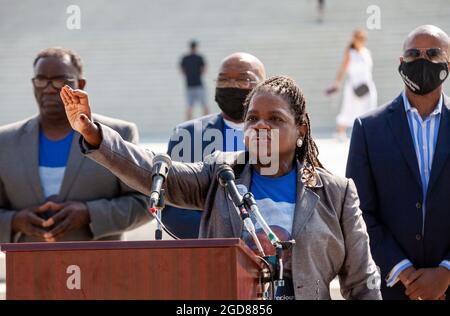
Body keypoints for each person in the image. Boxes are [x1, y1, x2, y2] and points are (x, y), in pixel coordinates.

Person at [60, 75, 381, 300]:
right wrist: (95, 134)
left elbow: (363, 284)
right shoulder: (220, 173)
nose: (260, 126)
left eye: (275, 119)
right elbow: (156, 171)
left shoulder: (336, 193)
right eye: (252, 119)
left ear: (301, 129)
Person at [0, 47, 150, 243]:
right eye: (41, 79)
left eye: (60, 80)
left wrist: (90, 214)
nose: (48, 87)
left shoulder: (119, 134)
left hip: (100, 267)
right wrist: (14, 221)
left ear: (80, 84)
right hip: (30, 269)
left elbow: (147, 202)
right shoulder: (5, 141)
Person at [346, 25, 450, 300]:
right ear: (401, 63)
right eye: (414, 54)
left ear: (448, 64)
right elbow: (358, 210)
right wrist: (402, 270)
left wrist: (446, 272)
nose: (423, 60)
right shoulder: (368, 128)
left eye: (433, 54)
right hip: (391, 287)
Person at [163, 52, 266, 238]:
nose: (231, 86)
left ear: (264, 86)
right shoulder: (187, 136)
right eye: (223, 80)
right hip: (209, 254)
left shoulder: (280, 136)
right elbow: (174, 211)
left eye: (243, 80)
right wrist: (230, 237)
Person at [326, 29, 377, 141]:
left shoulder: (366, 52)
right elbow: (343, 69)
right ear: (354, 40)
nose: (361, 41)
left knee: (369, 109)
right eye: (359, 39)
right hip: (353, 86)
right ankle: (340, 132)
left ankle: (368, 133)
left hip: (367, 85)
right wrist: (337, 83)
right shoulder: (350, 53)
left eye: (363, 39)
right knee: (349, 109)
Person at [180, 40, 209, 120]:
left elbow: (182, 71)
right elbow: (204, 70)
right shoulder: (199, 58)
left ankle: (187, 124)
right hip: (199, 84)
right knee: (204, 105)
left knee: (189, 106)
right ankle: (208, 123)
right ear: (196, 47)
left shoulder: (185, 58)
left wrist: (189, 75)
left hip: (189, 85)